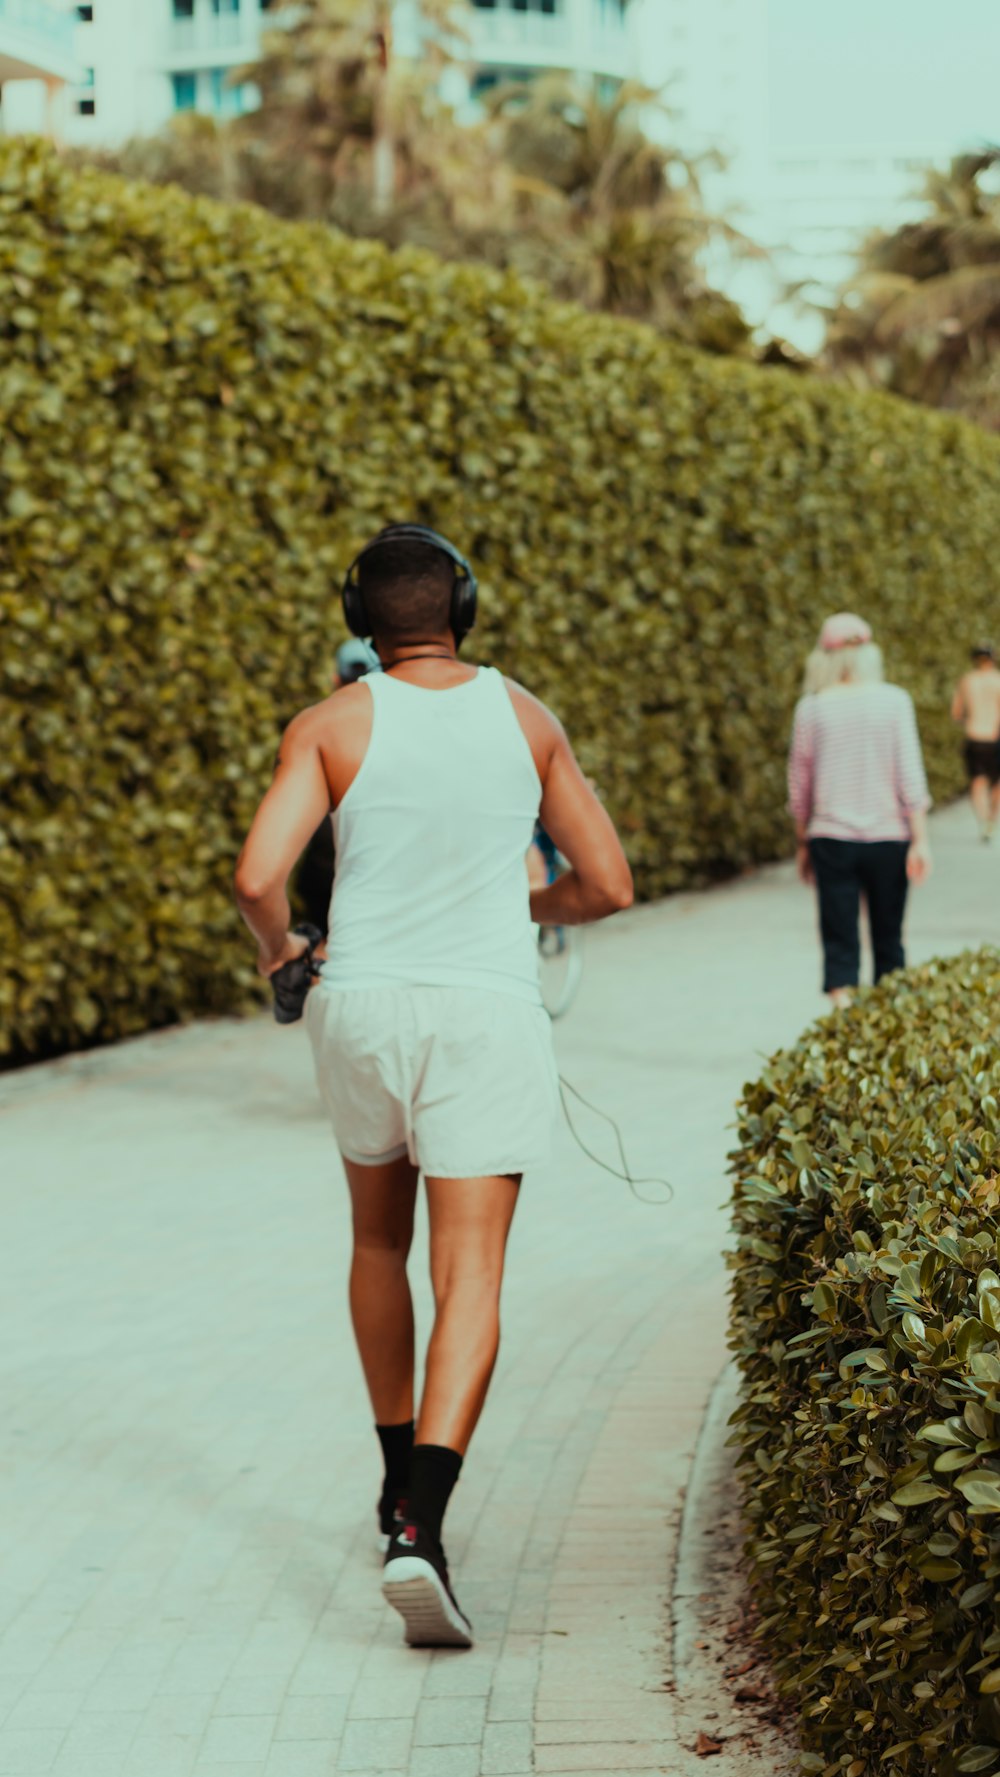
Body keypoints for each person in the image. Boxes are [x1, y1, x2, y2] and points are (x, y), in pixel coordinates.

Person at [233, 523, 633, 1649]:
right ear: (465, 601)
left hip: (358, 1009)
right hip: (480, 1015)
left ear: (360, 616)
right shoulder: (527, 718)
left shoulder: (327, 725)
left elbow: (259, 875)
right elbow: (605, 883)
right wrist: (529, 909)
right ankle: (422, 1524)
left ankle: (384, 1482)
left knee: (376, 1245)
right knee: (470, 1275)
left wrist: (280, 952)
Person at [788, 611, 932, 1007]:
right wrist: (921, 840)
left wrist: (802, 843)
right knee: (889, 937)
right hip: (890, 838)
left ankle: (843, 1020)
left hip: (831, 838)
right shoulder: (895, 701)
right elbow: (910, 773)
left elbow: (800, 784)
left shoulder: (811, 708)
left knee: (838, 937)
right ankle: (889, 1028)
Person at [295, 640, 381, 935]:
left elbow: (256, 884)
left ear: (335, 680)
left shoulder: (312, 731)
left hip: (326, 883)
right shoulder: (407, 731)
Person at [951, 642, 1000, 842]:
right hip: (995, 736)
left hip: (975, 735)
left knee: (977, 781)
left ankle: (982, 822)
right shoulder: (998, 680)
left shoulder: (967, 680)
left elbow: (956, 713)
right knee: (997, 783)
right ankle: (991, 819)